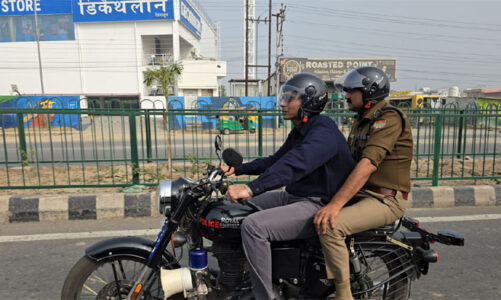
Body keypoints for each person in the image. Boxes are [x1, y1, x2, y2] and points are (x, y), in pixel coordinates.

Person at [224, 72, 354, 300]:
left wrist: (251, 188)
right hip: (294, 196)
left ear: (309, 101)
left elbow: (293, 165)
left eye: (290, 98)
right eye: (283, 97)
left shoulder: (322, 131)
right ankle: (239, 274)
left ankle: (265, 296)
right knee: (232, 210)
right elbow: (277, 161)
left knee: (254, 226)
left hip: (315, 203)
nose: (283, 103)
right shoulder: (301, 130)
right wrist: (239, 170)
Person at [313, 66, 413, 300]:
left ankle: (344, 294)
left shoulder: (388, 118)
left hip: (385, 199)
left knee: (331, 225)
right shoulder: (362, 121)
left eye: (352, 91)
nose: (346, 95)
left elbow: (367, 164)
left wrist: (335, 205)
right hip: (363, 194)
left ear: (370, 92)